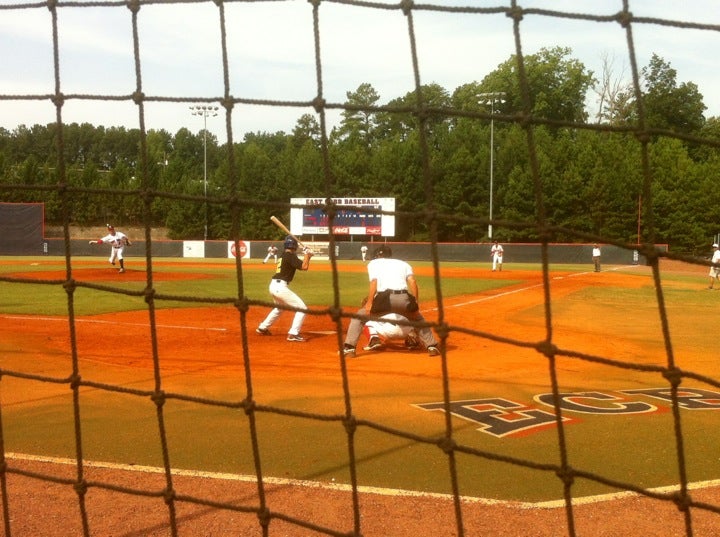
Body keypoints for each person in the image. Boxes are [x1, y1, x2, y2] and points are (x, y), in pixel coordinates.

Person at [342, 245, 440, 358]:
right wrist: (415, 301)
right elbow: (413, 282)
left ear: (377, 256)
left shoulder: (374, 263)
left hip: (384, 299)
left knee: (359, 317)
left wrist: (369, 303)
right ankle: (432, 347)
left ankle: (349, 349)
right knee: (418, 319)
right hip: (403, 297)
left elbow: (374, 282)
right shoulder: (403, 263)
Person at [256, 236, 314, 342]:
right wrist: (306, 253)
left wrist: (308, 256)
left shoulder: (284, 255)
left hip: (274, 286)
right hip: (280, 287)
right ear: (295, 246)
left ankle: (263, 327)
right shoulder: (290, 256)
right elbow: (304, 267)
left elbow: (303, 264)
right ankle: (293, 333)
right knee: (302, 308)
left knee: (279, 308)